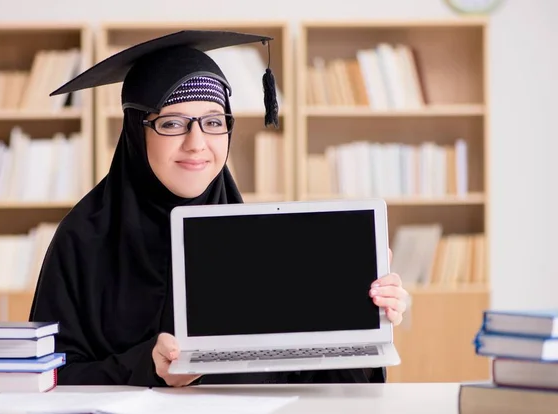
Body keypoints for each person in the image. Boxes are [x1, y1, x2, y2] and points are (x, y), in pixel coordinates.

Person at [29, 30, 409, 388]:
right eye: (172, 123)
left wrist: (366, 315)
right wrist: (149, 367)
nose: (197, 143)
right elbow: (48, 378)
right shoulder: (82, 239)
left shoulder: (260, 241)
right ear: (135, 131)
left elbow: (317, 384)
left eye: (213, 122)